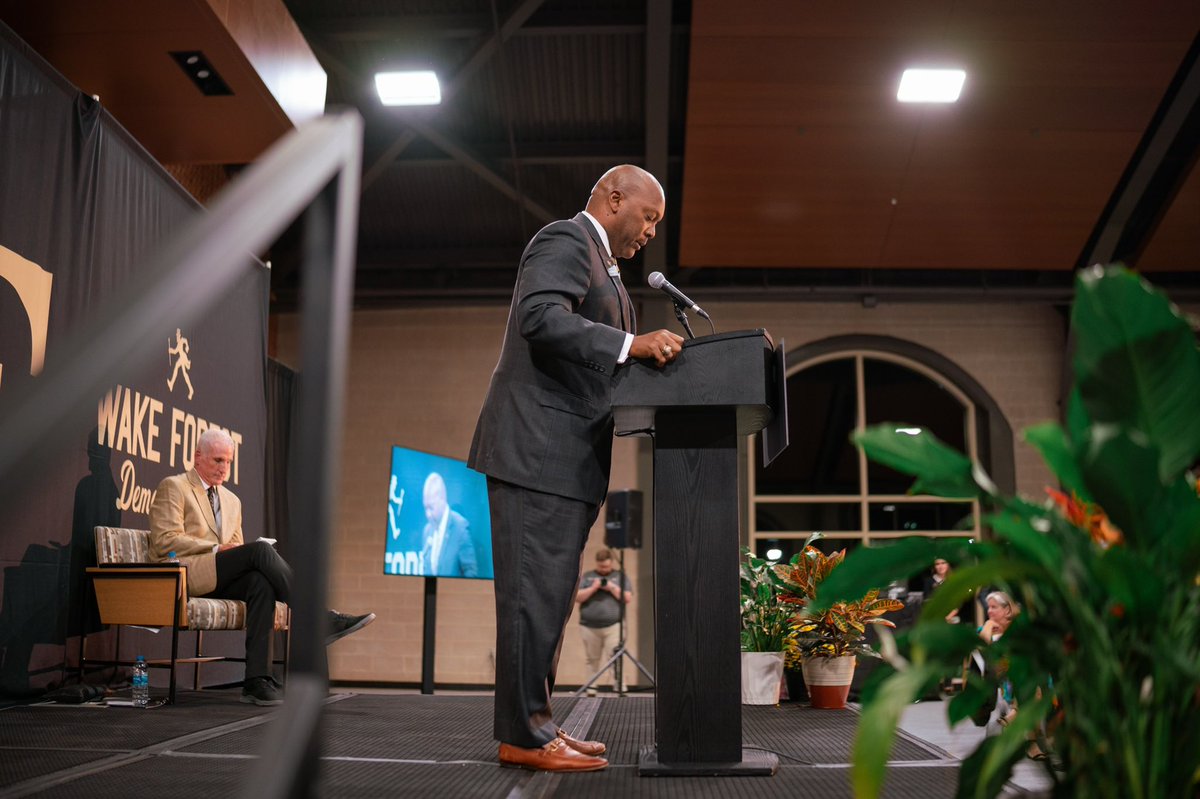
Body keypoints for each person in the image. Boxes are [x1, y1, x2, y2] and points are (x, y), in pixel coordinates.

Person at [468, 164, 683, 773]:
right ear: (614, 198)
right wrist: (630, 345)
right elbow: (540, 318)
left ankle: (536, 723)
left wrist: (638, 361)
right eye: (648, 217)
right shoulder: (567, 238)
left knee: (550, 598)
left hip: (563, 457)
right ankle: (523, 735)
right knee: (531, 598)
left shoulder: (606, 267)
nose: (649, 233)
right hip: (536, 451)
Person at [148, 428, 376, 706]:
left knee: (260, 581)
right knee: (259, 551)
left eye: (229, 462)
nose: (224, 468)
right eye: (218, 460)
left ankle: (256, 680)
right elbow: (164, 540)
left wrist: (229, 551)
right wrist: (215, 548)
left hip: (220, 575)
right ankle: (318, 619)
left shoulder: (233, 501)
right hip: (187, 574)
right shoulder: (175, 486)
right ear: (198, 456)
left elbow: (237, 548)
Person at [575, 548, 632, 696]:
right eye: (601, 566)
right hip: (589, 626)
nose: (604, 569)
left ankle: (620, 688)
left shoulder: (620, 576)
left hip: (614, 625)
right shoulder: (588, 577)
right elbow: (577, 597)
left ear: (611, 563)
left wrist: (611, 587)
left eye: (606, 566)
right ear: (597, 564)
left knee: (616, 657)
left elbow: (627, 598)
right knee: (592, 659)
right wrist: (593, 588)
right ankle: (591, 689)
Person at [419, 472, 477, 577]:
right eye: (425, 508)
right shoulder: (427, 531)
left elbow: (471, 572)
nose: (427, 514)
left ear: (442, 499)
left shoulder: (461, 528)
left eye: (431, 508)